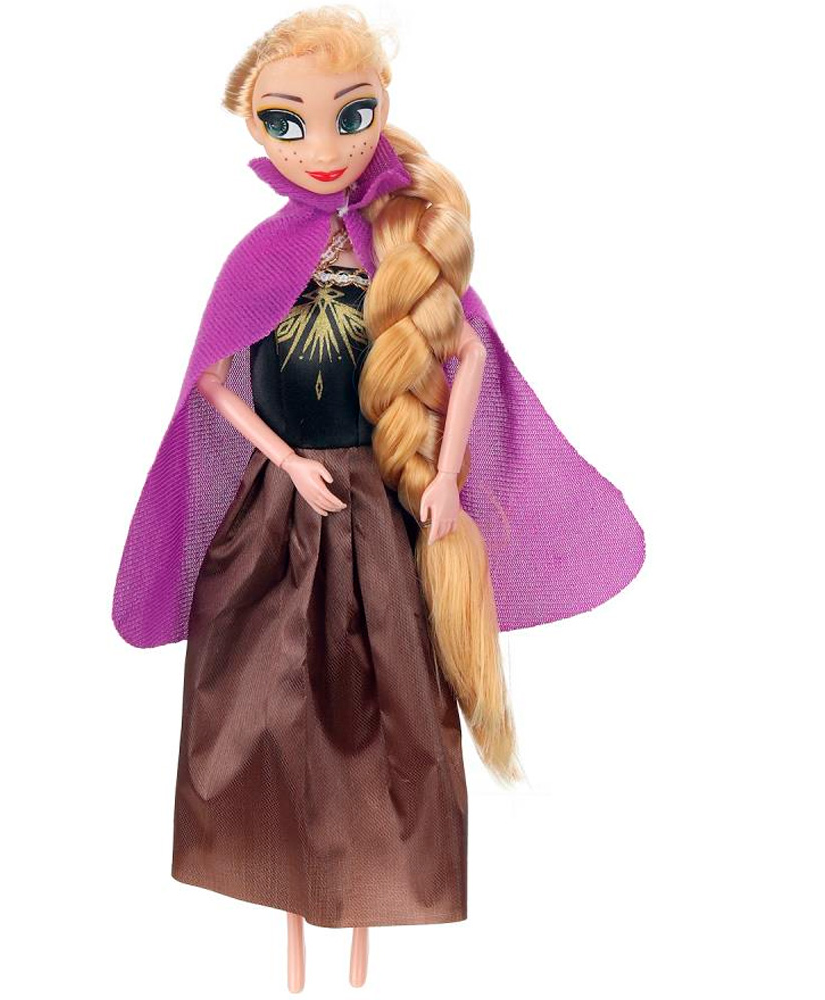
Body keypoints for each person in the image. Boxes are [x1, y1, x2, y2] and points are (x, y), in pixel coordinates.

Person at [111, 6, 645, 992]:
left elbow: (470, 353)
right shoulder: (256, 260)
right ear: (254, 123)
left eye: (348, 116)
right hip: (281, 511)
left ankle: (363, 920)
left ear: (379, 111)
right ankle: (287, 906)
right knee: (261, 697)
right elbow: (212, 382)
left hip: (379, 499)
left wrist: (443, 473)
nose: (321, 146)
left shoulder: (397, 251)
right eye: (287, 122)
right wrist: (284, 460)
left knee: (387, 694)